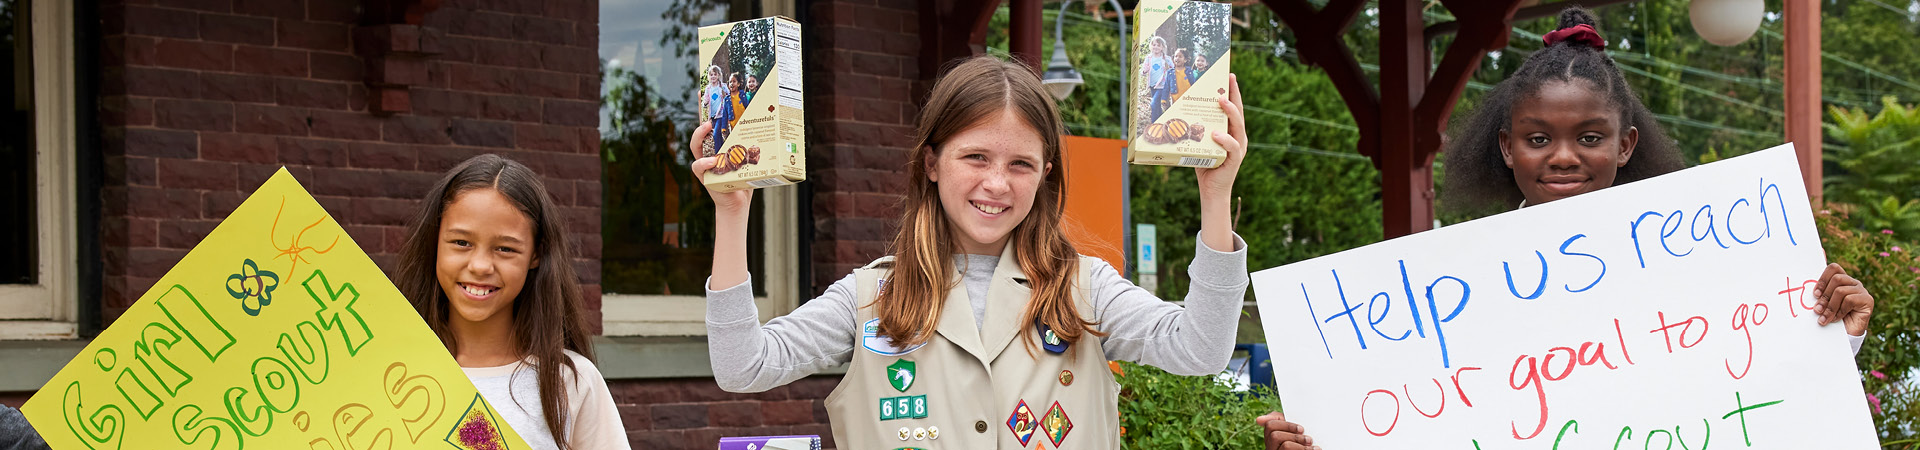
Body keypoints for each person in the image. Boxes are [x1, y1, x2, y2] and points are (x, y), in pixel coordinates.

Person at [1259, 8, 1878, 449]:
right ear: (1506, 149)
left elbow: (1749, 377)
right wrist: (1321, 433)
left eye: (1589, 137)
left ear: (1625, 144)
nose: (1561, 156)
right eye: (1536, 139)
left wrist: (1834, 334)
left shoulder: (1699, 263)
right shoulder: (1450, 290)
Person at [696, 55, 1253, 448]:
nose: (997, 184)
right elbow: (744, 367)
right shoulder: (871, 296)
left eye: (1020, 165)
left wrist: (1216, 194)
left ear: (1045, 176)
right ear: (932, 164)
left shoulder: (1086, 287)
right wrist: (730, 212)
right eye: (976, 157)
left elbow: (1200, 350)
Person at [396, 155, 630, 450]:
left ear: (536, 255)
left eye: (505, 248)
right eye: (461, 242)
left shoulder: (571, 382)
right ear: (434, 241)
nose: (480, 266)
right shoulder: (389, 371)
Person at [701, 65, 733, 157]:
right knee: (718, 135)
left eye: (715, 74)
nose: (713, 76)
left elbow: (728, 95)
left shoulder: (722, 86)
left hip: (721, 114)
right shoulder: (708, 88)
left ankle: (718, 154)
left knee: (715, 134)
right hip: (713, 115)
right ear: (709, 76)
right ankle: (724, 151)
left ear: (718, 75)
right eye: (711, 75)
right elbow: (706, 99)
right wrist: (704, 103)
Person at [1142, 36, 1174, 124]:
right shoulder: (1149, 58)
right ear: (1151, 46)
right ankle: (1161, 121)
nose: (1156, 47)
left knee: (1153, 104)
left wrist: (1169, 74)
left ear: (1162, 47)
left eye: (1158, 45)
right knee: (1156, 105)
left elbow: (1173, 69)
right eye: (1154, 45)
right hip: (1152, 85)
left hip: (1162, 85)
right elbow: (1143, 71)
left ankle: (1154, 124)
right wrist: (1145, 70)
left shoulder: (1166, 58)